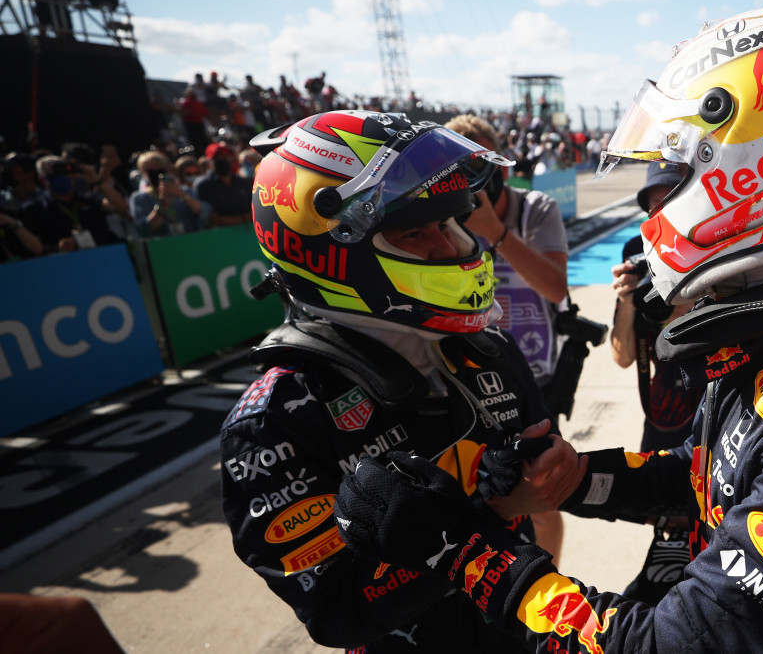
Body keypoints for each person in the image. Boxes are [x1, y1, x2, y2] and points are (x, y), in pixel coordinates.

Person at [334, 5, 763, 653]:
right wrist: (578, 477)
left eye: (683, 173)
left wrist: (465, 551)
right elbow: (704, 477)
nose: (657, 212)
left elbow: (662, 646)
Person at [220, 109, 582, 652]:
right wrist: (493, 513)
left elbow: (538, 476)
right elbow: (336, 611)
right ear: (333, 253)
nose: (447, 248)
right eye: (416, 232)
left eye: (449, 224)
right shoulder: (275, 421)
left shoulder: (488, 347)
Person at [444, 113, 570, 566]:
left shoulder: (534, 207)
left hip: (535, 373)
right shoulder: (441, 219)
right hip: (469, 377)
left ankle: (552, 586)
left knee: (544, 495)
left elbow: (556, 287)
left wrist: (494, 232)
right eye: (462, 172)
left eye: (485, 168)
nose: (476, 182)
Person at [609, 161, 703, 605]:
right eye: (653, 208)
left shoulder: (718, 246)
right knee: (664, 517)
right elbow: (623, 355)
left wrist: (681, 305)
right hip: (665, 412)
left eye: (670, 204)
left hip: (714, 405)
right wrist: (630, 303)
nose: (659, 216)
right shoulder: (636, 249)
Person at [23, 155, 126, 252]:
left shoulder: (88, 199)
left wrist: (96, 180)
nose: (66, 178)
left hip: (105, 256)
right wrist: (57, 248)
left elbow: (121, 208)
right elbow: (37, 248)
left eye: (67, 174)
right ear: (42, 180)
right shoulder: (36, 209)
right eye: (57, 175)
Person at [128, 151, 210, 237]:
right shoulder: (140, 198)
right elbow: (143, 230)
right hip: (164, 246)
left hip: (193, 242)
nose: (156, 175)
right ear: (143, 172)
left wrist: (180, 193)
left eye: (160, 170)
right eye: (151, 171)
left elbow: (205, 214)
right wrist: (161, 206)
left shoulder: (184, 191)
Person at [194, 143, 253, 226]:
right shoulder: (203, 185)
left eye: (225, 157)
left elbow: (253, 210)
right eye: (217, 158)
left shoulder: (242, 182)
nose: (222, 160)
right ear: (209, 161)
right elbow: (212, 219)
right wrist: (244, 219)